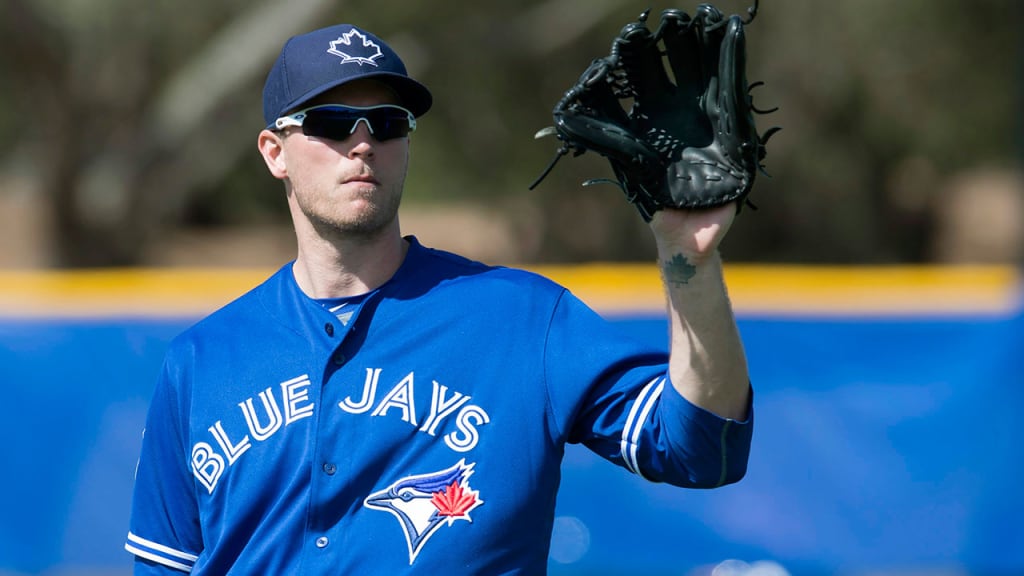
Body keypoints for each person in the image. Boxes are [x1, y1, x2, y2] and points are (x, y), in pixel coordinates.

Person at [124, 23, 753, 575]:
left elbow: (700, 444)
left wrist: (688, 259)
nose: (363, 142)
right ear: (274, 152)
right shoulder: (201, 361)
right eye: (331, 123)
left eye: (388, 124)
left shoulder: (523, 319)